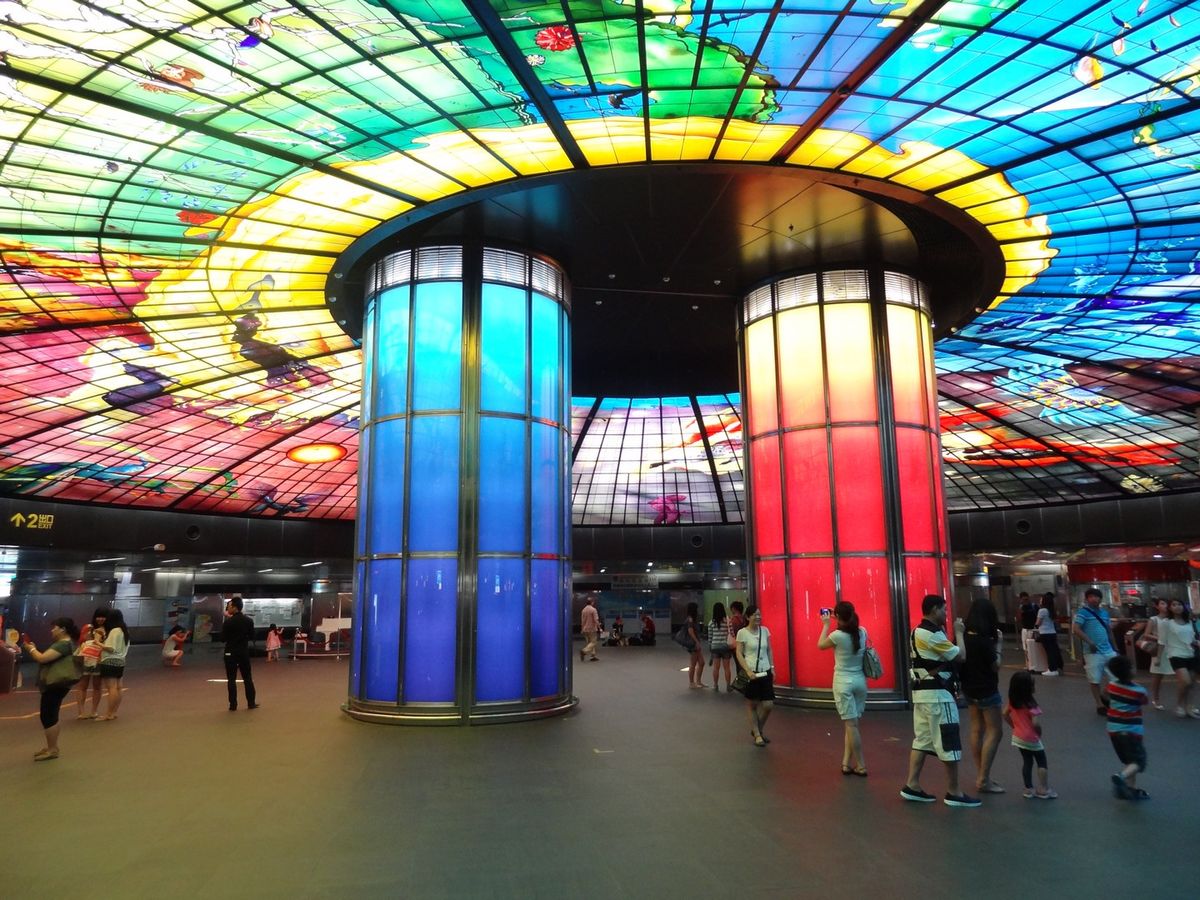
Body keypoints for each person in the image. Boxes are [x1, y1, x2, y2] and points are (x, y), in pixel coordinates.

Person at [901, 594, 979, 807]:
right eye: (944, 610)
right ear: (934, 609)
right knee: (949, 741)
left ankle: (912, 784)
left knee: (922, 741)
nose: (946, 614)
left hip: (922, 696)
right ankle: (954, 792)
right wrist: (960, 633)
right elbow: (960, 655)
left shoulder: (916, 632)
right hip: (938, 697)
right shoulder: (933, 635)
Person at [817, 601, 868, 775]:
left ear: (838, 617)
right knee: (852, 725)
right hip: (860, 682)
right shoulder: (862, 632)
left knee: (851, 725)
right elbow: (850, 624)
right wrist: (837, 616)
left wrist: (826, 624)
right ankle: (846, 763)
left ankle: (861, 765)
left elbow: (821, 644)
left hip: (843, 683)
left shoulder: (837, 635)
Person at [961, 597, 1005, 794]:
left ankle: (982, 775)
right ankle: (983, 778)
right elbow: (995, 666)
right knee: (995, 731)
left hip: (969, 690)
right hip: (987, 689)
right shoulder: (985, 642)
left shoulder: (963, 638)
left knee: (976, 729)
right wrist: (1000, 646)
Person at [20, 617, 79, 761]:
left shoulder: (62, 644)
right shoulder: (67, 643)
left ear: (63, 629)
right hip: (60, 684)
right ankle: (52, 746)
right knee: (51, 714)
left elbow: (42, 658)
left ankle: (52, 749)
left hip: (55, 683)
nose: (52, 630)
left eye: (54, 627)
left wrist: (31, 649)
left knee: (48, 716)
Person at [1003, 671, 1056, 799]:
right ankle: (1043, 789)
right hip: (1032, 738)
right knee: (1041, 761)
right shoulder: (1032, 705)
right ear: (1028, 688)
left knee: (1027, 762)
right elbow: (1036, 724)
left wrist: (1014, 726)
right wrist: (1039, 733)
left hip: (1018, 737)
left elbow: (1004, 714)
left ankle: (1028, 789)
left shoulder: (1013, 701)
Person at [1105, 655, 1150, 800]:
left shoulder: (1112, 686)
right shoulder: (1139, 691)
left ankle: (1131, 789)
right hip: (1131, 731)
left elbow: (1105, 695)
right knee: (1138, 762)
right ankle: (1121, 776)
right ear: (1129, 671)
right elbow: (1144, 701)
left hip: (1113, 730)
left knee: (1128, 760)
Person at [1072, 588, 1118, 715]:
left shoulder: (1104, 613)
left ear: (1100, 599)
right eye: (1091, 597)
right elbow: (1076, 629)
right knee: (1095, 679)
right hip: (1092, 652)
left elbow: (1109, 631)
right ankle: (1099, 704)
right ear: (1086, 599)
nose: (1094, 599)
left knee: (1117, 678)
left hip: (1108, 650)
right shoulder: (1083, 613)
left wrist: (1115, 647)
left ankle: (1104, 694)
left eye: (1096, 596)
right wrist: (1090, 642)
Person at [735, 604, 774, 747]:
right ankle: (757, 734)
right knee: (752, 704)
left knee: (768, 704)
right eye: (755, 615)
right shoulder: (742, 633)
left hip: (766, 671)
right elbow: (738, 653)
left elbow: (769, 650)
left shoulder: (765, 631)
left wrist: (773, 667)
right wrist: (747, 670)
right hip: (752, 672)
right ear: (747, 617)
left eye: (759, 614)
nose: (758, 617)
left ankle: (757, 729)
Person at [1160, 598, 1199, 718]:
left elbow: (1192, 639)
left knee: (1191, 684)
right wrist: (1157, 658)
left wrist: (1196, 642)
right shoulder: (1166, 623)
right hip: (1175, 655)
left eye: (1180, 604)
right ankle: (1179, 704)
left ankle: (1189, 707)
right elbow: (1161, 641)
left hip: (1190, 654)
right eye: (1174, 605)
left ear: (1184, 606)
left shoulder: (1189, 622)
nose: (1177, 607)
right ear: (1170, 608)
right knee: (1185, 681)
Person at [222, 596, 258, 711]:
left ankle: (233, 705)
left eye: (229, 606)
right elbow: (252, 636)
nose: (227, 607)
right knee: (247, 678)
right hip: (243, 652)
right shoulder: (248, 621)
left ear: (234, 607)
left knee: (231, 679)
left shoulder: (228, 623)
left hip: (230, 653)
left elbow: (222, 638)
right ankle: (251, 703)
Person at [97, 607, 130, 721]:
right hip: (120, 661)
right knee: (118, 687)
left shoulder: (115, 631)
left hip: (109, 661)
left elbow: (110, 648)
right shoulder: (124, 631)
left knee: (111, 688)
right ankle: (114, 712)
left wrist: (98, 642)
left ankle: (108, 713)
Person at [75, 607, 108, 718]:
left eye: (103, 616)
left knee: (97, 686)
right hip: (85, 659)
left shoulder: (109, 630)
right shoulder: (88, 628)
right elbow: (81, 643)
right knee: (82, 685)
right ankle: (81, 712)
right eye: (98, 616)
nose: (100, 619)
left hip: (99, 661)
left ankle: (94, 711)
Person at [1141, 598, 1173, 709]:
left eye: (1167, 603)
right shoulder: (1153, 619)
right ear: (1157, 606)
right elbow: (1146, 634)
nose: (1165, 606)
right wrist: (1160, 638)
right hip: (1159, 649)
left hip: (1172, 649)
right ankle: (1155, 699)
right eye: (1162, 603)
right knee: (1158, 676)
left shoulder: (1172, 619)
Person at [707, 602, 733, 692]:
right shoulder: (728, 621)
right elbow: (732, 634)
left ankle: (715, 685)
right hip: (725, 647)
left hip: (715, 647)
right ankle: (728, 686)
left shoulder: (711, 622)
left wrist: (710, 647)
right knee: (727, 668)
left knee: (716, 668)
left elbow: (710, 637)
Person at [1036, 592, 1063, 676]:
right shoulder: (1051, 610)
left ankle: (1052, 669)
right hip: (1052, 633)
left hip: (1044, 633)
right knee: (1054, 650)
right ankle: (1059, 666)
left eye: (1041, 599)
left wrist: (1036, 625)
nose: (1040, 600)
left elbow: (1038, 622)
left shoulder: (1042, 610)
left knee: (1049, 652)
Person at [682, 601, 705, 688]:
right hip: (693, 645)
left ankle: (698, 681)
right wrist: (696, 641)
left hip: (695, 644)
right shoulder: (690, 619)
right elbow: (690, 631)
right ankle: (692, 683)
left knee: (702, 663)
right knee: (693, 663)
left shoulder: (692, 619)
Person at [1018, 592, 1039, 671]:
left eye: (1026, 599)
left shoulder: (1034, 606)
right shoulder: (1021, 607)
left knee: (1033, 647)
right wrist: (1021, 608)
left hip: (1032, 629)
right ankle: (1028, 665)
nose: (1025, 601)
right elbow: (1019, 618)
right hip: (1025, 629)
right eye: (1023, 600)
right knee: (1025, 648)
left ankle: (1033, 664)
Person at [579, 597, 600, 662]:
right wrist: (600, 627)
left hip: (585, 629)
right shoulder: (593, 610)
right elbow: (596, 620)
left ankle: (593, 656)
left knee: (589, 643)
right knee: (593, 642)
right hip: (592, 629)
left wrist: (582, 628)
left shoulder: (583, 610)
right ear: (592, 602)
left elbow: (582, 621)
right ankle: (584, 651)